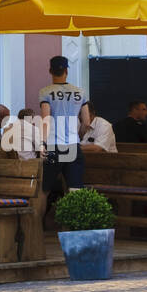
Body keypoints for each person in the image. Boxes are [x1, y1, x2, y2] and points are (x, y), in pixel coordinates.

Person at [38, 56, 85, 194]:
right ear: (67, 71)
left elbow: (46, 119)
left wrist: (42, 143)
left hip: (54, 145)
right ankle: (74, 216)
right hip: (73, 144)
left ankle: (38, 216)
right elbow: (86, 122)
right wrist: (78, 135)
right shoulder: (80, 93)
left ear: (50, 71)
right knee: (75, 189)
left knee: (43, 189)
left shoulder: (45, 92)